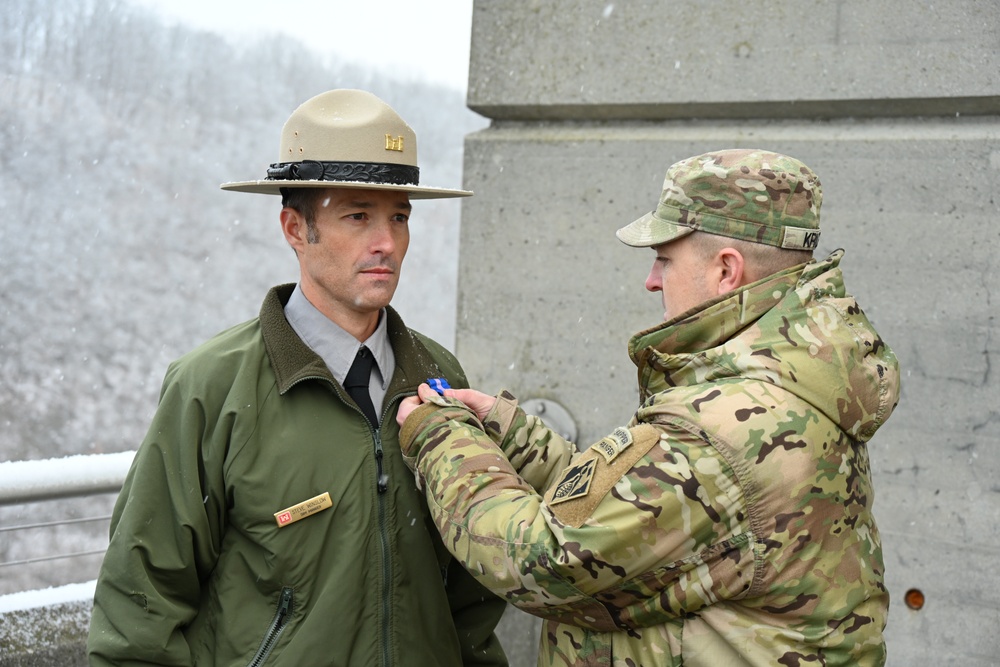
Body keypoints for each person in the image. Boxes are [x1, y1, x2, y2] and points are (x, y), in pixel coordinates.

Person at [395, 149, 900, 667]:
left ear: (727, 271)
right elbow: (643, 514)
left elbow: (543, 562)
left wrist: (441, 438)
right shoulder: (788, 383)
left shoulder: (724, 428)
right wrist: (514, 437)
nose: (652, 280)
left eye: (665, 259)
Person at [87, 89, 508, 666]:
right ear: (294, 227)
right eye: (357, 216)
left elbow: (472, 595)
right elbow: (140, 610)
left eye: (399, 218)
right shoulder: (212, 388)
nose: (386, 242)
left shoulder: (438, 377)